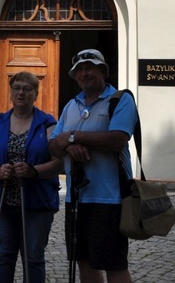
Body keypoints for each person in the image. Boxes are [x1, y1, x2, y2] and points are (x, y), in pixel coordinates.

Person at [48, 49, 138, 283]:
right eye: (79, 70)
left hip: (110, 197)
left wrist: (73, 136)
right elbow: (53, 144)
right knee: (84, 261)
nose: (84, 73)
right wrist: (68, 145)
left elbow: (118, 138)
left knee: (114, 264)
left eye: (90, 67)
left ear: (103, 72)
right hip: (77, 198)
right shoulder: (71, 105)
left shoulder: (120, 99)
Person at [0, 72, 63, 283]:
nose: (21, 92)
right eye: (16, 88)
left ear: (36, 93)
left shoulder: (48, 124)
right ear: (10, 92)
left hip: (37, 203)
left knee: (33, 258)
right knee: (3, 256)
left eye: (27, 88)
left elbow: (59, 162)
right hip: (2, 202)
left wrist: (34, 171)